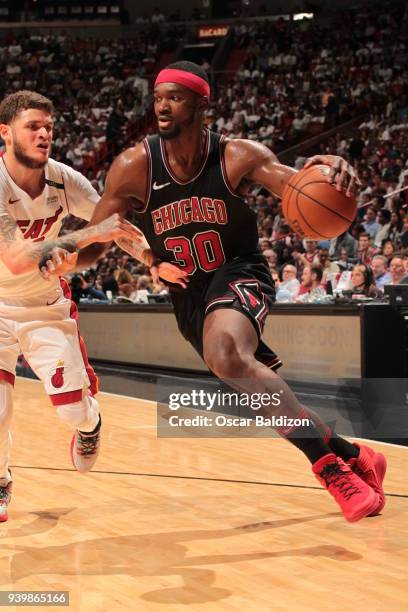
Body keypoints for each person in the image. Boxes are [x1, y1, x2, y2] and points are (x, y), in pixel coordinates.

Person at [43, 62, 385, 522]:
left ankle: (327, 470)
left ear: (203, 104)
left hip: (239, 270)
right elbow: (99, 239)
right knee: (247, 378)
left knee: (226, 353)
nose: (162, 105)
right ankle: (352, 455)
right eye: (158, 97)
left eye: (175, 97)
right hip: (188, 294)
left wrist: (328, 169)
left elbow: (293, 181)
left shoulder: (236, 156)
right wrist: (70, 256)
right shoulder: (134, 166)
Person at [0, 90, 182, 521]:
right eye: (34, 126)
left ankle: (90, 425)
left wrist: (152, 259)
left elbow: (115, 227)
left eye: (49, 126)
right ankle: (1, 479)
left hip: (44, 306)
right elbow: (15, 257)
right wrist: (83, 237)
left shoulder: (66, 180)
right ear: (5, 133)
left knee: (72, 414)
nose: (45, 134)